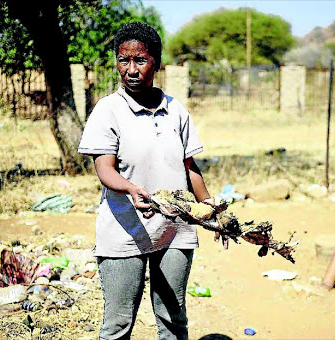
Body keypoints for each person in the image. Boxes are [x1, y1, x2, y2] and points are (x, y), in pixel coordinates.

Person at [77, 22, 227, 340]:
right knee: (117, 325)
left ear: (156, 63)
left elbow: (190, 165)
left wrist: (211, 208)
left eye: (140, 60)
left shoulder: (177, 111)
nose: (131, 69)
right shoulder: (107, 110)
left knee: (173, 321)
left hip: (175, 229)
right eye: (123, 60)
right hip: (124, 229)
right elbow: (104, 169)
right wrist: (130, 188)